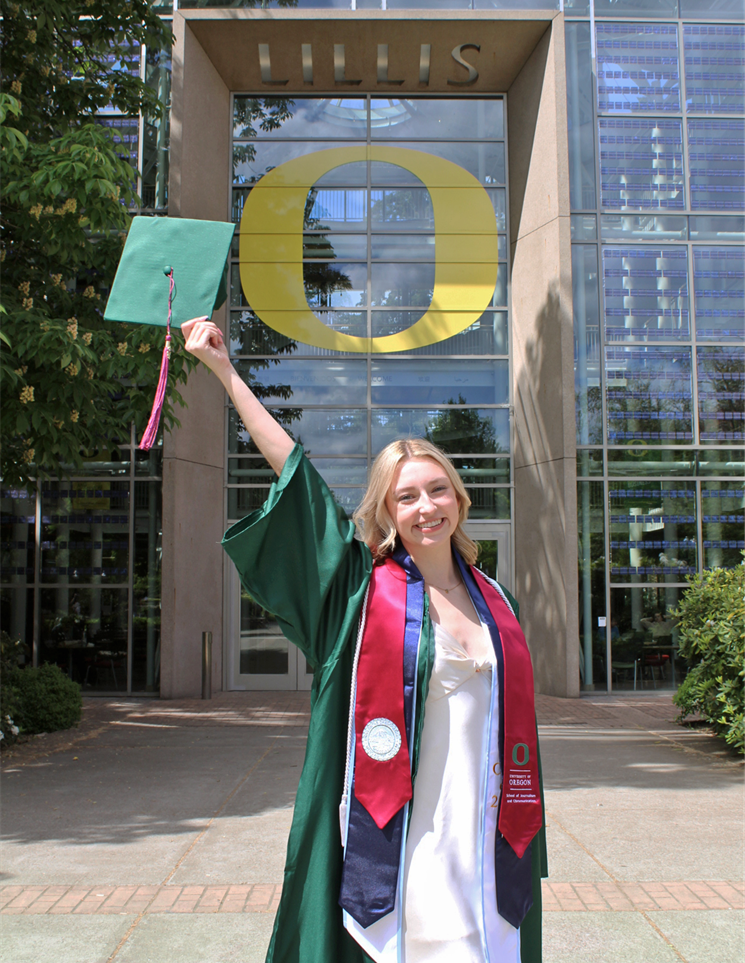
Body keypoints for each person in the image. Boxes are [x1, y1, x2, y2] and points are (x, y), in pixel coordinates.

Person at [182, 317, 548, 963]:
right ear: (385, 511)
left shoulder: (498, 602)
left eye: (437, 489)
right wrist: (225, 371)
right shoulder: (357, 592)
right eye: (405, 496)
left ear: (458, 499)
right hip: (397, 829)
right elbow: (297, 480)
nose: (425, 506)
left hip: (483, 829)